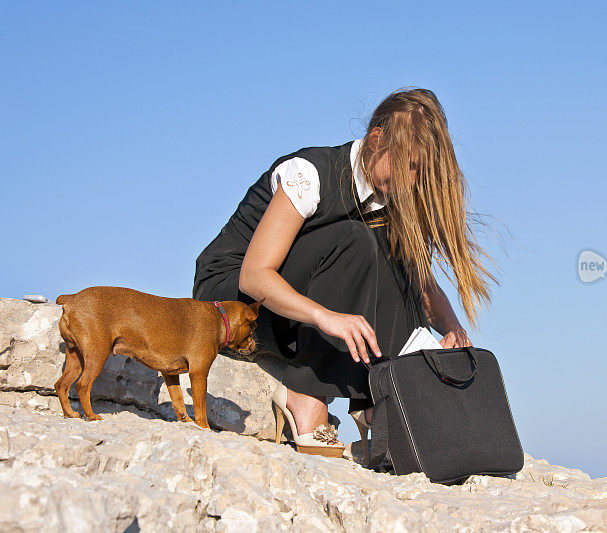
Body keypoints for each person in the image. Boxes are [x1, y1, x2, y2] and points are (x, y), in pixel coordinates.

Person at [192, 87, 496, 457]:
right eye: (408, 165)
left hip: (291, 307)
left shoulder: (395, 198)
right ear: (376, 139)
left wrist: (452, 328)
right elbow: (253, 276)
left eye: (420, 169)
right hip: (229, 304)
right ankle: (304, 393)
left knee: (392, 250)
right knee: (356, 237)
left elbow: (421, 285)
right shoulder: (309, 173)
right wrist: (326, 317)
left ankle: (377, 399)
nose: (412, 179)